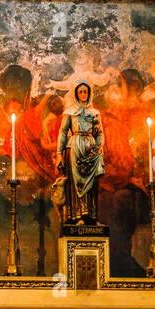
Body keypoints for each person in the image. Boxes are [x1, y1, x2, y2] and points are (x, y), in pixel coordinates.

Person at [56, 82, 105, 223]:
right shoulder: (70, 112)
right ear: (76, 94)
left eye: (85, 92)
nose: (83, 94)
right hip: (74, 147)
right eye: (80, 92)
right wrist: (59, 154)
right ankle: (77, 216)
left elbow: (100, 132)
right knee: (76, 182)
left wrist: (100, 145)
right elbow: (63, 132)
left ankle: (91, 217)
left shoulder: (95, 113)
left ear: (89, 94)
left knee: (92, 184)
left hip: (91, 147)